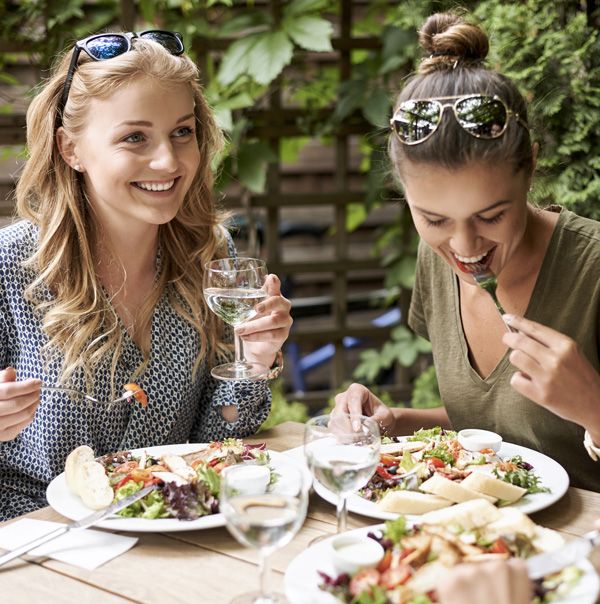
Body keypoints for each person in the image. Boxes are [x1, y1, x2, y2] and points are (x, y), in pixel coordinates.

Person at [0, 30, 292, 521]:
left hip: (165, 529)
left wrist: (255, 362)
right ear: (70, 149)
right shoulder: (10, 266)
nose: (168, 161)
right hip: (35, 535)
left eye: (182, 132)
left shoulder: (208, 255)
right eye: (134, 137)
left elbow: (214, 443)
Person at [334, 12, 600, 491]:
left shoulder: (592, 269)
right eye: (434, 220)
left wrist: (595, 408)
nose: (464, 248)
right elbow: (495, 429)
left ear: (530, 166)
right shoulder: (435, 262)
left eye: (491, 216)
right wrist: (392, 424)